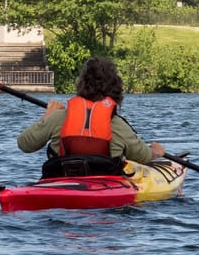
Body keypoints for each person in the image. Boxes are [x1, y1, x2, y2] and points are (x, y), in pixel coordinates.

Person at [17, 57, 165, 178]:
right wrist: (155, 152)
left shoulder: (57, 118)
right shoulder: (118, 125)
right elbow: (143, 156)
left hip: (61, 183)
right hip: (105, 190)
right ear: (116, 91)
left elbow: (25, 144)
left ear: (81, 86)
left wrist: (47, 116)